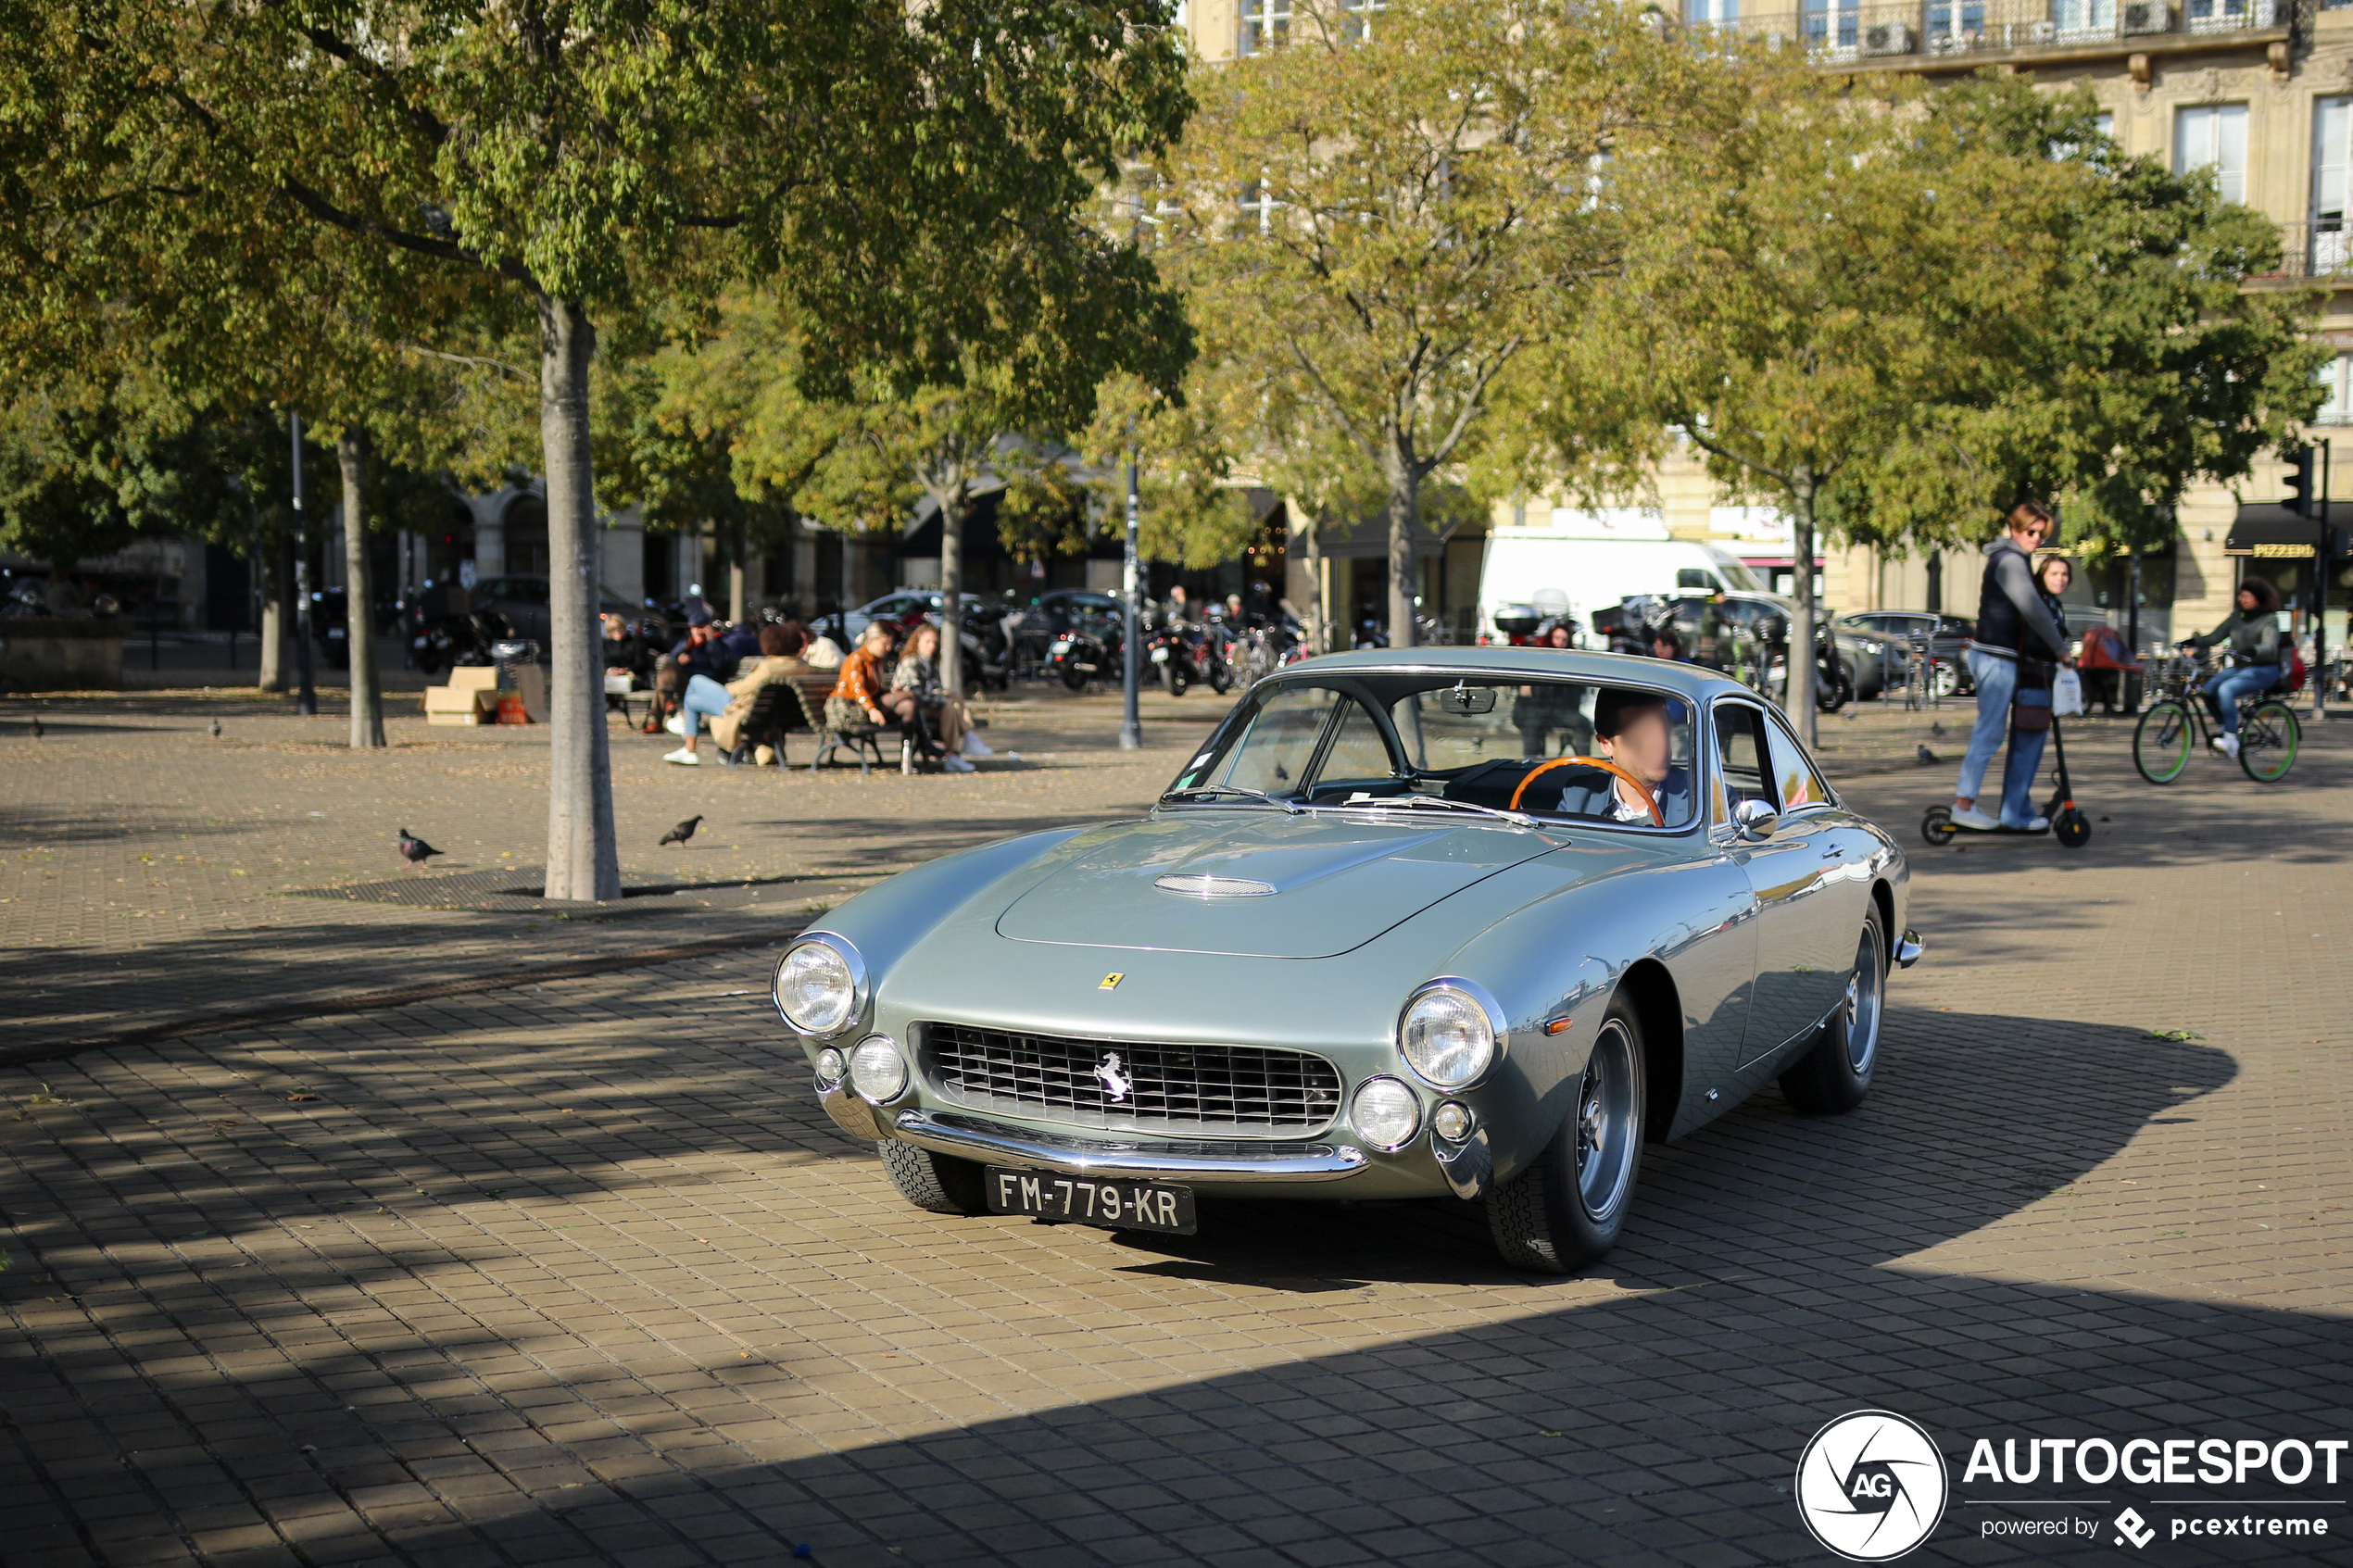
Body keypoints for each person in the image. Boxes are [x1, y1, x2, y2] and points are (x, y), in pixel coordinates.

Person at [1951, 502, 2070, 832]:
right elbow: (2031, 607)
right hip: (1994, 657)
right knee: (1988, 733)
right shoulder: (2011, 561)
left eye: (2041, 533)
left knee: (1990, 731)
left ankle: (1982, 806)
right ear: (2014, 528)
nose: (2036, 538)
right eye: (2030, 531)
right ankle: (1964, 804)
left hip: (1995, 656)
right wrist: (2061, 650)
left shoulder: (2009, 559)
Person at [1538, 687, 1692, 827]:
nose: (1659, 744)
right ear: (1606, 745)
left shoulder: (1697, 798)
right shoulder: (1579, 797)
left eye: (1663, 729)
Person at [2181, 578, 2284, 759]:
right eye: (2241, 596)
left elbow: (2271, 647)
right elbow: (2215, 637)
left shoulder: (2269, 619)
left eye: (2247, 596)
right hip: (2241, 668)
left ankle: (2230, 740)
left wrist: (2254, 649)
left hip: (2264, 670)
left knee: (2226, 689)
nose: (2243, 600)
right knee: (2208, 691)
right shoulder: (2237, 617)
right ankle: (2226, 728)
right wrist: (2193, 642)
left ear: (2258, 598)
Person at [890, 622, 994, 772]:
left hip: (928, 702)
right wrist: (942, 698)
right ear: (917, 642)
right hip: (912, 707)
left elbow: (934, 687)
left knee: (954, 697)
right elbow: (915, 693)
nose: (931, 646)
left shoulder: (931, 662)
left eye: (934, 642)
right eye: (927, 642)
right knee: (949, 707)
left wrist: (943, 695)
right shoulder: (911, 662)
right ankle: (961, 744)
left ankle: (962, 745)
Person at [705, 623, 812, 763]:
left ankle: (692, 747)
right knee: (695, 695)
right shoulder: (804, 667)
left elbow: (743, 688)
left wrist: (726, 688)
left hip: (757, 714)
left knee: (696, 687)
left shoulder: (769, 667)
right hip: (791, 715)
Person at [826, 621, 921, 761]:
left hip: (872, 705)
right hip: (852, 708)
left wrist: (892, 690)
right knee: (911, 695)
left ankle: (906, 755)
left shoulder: (876, 661)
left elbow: (876, 689)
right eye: (885, 644)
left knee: (909, 705)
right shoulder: (857, 659)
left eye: (890, 644)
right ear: (871, 640)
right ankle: (925, 743)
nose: (889, 648)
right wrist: (871, 709)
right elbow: (857, 689)